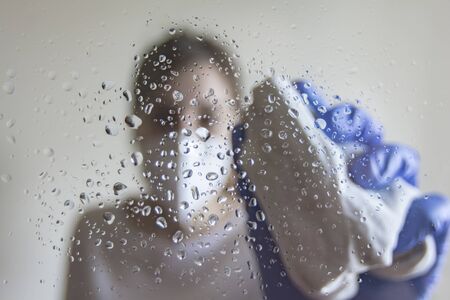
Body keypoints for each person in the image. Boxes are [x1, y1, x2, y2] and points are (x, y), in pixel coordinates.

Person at [65, 32, 450, 300]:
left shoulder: (281, 226)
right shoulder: (98, 236)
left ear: (237, 125)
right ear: (135, 126)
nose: (183, 137)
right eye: (164, 117)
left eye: (206, 117)